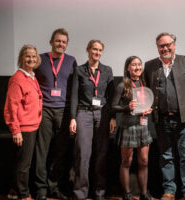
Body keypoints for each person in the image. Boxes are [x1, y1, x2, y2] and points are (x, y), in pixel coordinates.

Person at [144, 33, 185, 200]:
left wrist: (184, 103)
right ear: (157, 48)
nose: (165, 48)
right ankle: (169, 191)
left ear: (174, 45)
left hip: (183, 119)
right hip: (161, 119)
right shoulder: (150, 66)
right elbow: (147, 90)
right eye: (161, 46)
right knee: (166, 156)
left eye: (168, 45)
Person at [69, 40, 116, 200]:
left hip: (102, 114)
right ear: (88, 50)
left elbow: (112, 98)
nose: (97, 52)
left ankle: (99, 193)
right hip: (84, 113)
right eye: (94, 49)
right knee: (83, 154)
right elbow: (74, 95)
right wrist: (72, 118)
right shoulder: (79, 70)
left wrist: (112, 117)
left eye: (100, 50)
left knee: (101, 154)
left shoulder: (107, 70)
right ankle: (80, 193)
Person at [34, 28, 77, 200]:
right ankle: (41, 189)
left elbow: (74, 88)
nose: (61, 44)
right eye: (58, 41)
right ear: (51, 42)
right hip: (44, 110)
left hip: (63, 111)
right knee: (41, 151)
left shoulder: (71, 61)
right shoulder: (40, 59)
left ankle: (55, 186)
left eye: (64, 42)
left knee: (61, 152)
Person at [4, 44, 43, 200]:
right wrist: (16, 130)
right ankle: (24, 194)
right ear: (21, 58)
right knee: (24, 164)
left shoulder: (31, 76)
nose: (31, 59)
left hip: (33, 126)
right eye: (27, 56)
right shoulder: (17, 79)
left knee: (22, 161)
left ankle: (14, 190)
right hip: (24, 128)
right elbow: (10, 107)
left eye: (34, 56)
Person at [111, 56, 153, 200]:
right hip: (128, 126)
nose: (137, 67)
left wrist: (148, 109)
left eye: (139, 64)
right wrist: (126, 107)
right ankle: (127, 193)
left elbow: (145, 103)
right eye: (133, 65)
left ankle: (144, 193)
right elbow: (113, 107)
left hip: (143, 125)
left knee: (144, 161)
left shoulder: (144, 83)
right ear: (128, 68)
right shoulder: (122, 85)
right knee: (126, 162)